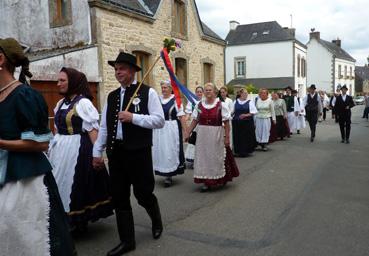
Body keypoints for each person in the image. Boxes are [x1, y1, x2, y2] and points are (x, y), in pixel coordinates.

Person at [0, 38, 75, 255]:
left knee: (28, 237)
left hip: (24, 181)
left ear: (1, 59)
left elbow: (42, 143)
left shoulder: (24, 95)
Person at [92, 52, 165, 256]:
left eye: (122, 68)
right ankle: (127, 241)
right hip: (116, 153)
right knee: (119, 197)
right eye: (115, 69)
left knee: (143, 194)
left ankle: (156, 220)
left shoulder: (147, 93)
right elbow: (105, 127)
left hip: (139, 153)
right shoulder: (112, 96)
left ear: (133, 71)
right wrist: (96, 151)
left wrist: (133, 117)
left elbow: (159, 120)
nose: (118, 72)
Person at [48, 67, 113, 233]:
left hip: (78, 149)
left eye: (62, 80)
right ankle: (65, 217)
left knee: (76, 184)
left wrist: (98, 155)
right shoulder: (60, 104)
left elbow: (93, 131)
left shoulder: (83, 103)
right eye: (58, 80)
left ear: (73, 82)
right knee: (58, 182)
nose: (58, 84)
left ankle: (77, 221)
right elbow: (57, 129)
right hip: (61, 149)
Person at [185, 83, 239, 192]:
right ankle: (206, 181)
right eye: (206, 90)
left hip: (216, 134)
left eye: (209, 90)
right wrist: (187, 133)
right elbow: (195, 120)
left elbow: (226, 123)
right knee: (203, 157)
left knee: (215, 157)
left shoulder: (221, 105)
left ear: (215, 91)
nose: (207, 92)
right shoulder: (199, 105)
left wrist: (227, 137)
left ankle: (219, 178)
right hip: (203, 135)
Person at [152, 80, 186, 187]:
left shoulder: (176, 100)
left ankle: (169, 175)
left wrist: (186, 131)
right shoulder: (158, 99)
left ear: (171, 89)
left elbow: (181, 116)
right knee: (161, 150)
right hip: (159, 129)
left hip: (172, 128)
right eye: (162, 88)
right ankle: (163, 170)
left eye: (165, 88)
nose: (163, 90)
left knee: (170, 150)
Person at [232, 88, 257, 157]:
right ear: (240, 94)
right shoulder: (235, 101)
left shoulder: (250, 102)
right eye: (244, 93)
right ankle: (238, 151)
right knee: (238, 137)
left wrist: (245, 115)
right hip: (237, 123)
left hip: (247, 123)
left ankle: (246, 151)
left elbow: (253, 112)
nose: (246, 95)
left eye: (247, 93)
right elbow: (232, 111)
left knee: (246, 137)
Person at [184, 86, 203, 169]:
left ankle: (201, 160)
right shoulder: (191, 101)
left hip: (202, 125)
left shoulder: (205, 101)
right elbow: (188, 113)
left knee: (201, 142)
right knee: (193, 141)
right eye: (197, 92)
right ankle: (192, 159)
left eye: (200, 92)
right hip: (194, 124)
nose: (199, 93)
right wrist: (186, 119)